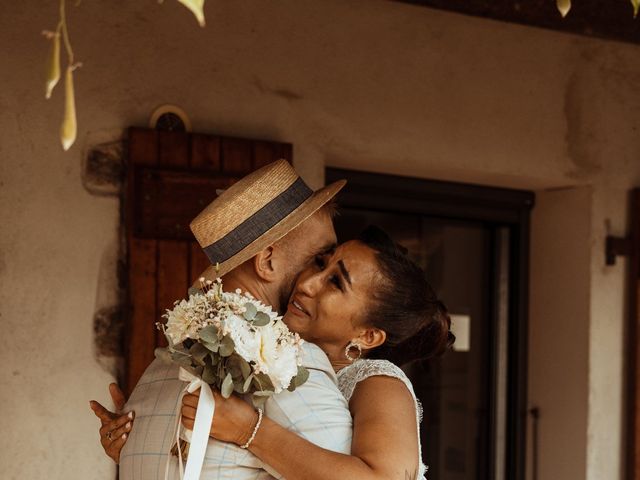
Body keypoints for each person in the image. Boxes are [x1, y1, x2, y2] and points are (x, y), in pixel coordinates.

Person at [97, 225, 454, 479]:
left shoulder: (378, 383)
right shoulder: (274, 354)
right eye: (319, 263)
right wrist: (138, 438)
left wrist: (249, 431)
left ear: (369, 335)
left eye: (335, 282)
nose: (307, 284)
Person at [91, 159, 352, 479]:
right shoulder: (286, 363)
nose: (321, 279)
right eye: (319, 260)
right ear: (267, 261)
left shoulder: (159, 369)